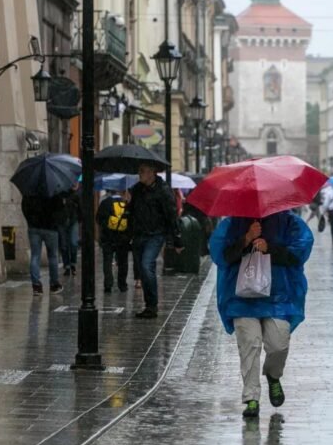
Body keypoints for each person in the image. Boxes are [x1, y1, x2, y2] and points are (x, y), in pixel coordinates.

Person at [209, 211, 314, 418]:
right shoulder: (233, 224)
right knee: (250, 344)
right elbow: (221, 255)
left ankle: (273, 376)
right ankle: (251, 399)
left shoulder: (290, 222)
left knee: (278, 344)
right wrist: (246, 239)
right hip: (241, 297)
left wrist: (270, 248)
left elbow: (298, 254)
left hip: (279, 296)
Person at [128, 162, 183, 318]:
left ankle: (152, 306)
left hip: (156, 234)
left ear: (152, 172)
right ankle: (148, 305)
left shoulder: (163, 191)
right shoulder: (137, 189)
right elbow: (132, 212)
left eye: (142, 171)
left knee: (147, 266)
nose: (140, 174)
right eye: (139, 171)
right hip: (139, 234)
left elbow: (171, 216)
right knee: (142, 270)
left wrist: (176, 239)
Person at [21, 193, 66, 295]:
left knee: (35, 255)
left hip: (34, 227)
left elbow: (24, 207)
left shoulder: (30, 191)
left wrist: (30, 221)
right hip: (51, 228)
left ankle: (36, 286)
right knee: (53, 256)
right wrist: (56, 222)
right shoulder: (54, 191)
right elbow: (61, 210)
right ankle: (54, 284)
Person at [96, 189, 132, 294]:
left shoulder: (105, 203)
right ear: (121, 192)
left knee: (107, 261)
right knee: (123, 262)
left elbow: (98, 219)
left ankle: (108, 284)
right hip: (123, 238)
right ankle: (122, 285)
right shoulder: (126, 203)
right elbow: (131, 221)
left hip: (108, 238)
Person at [59, 183, 81, 276]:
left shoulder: (76, 195)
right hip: (62, 222)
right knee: (63, 245)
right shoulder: (60, 194)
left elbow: (80, 209)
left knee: (73, 243)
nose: (76, 184)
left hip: (73, 221)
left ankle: (73, 263)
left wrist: (79, 219)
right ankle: (67, 265)